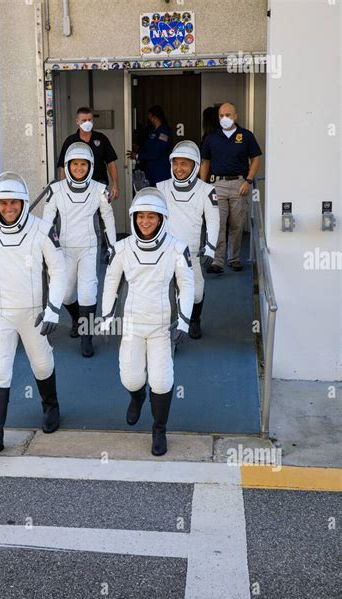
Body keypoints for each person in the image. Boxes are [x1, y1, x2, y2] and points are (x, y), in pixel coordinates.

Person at [0, 172, 66, 457]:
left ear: (23, 203)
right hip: (0, 313)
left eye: (13, 202)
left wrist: (53, 309)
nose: (8, 208)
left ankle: (51, 407)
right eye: (2, 203)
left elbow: (58, 270)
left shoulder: (42, 229)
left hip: (34, 312)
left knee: (41, 363)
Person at [100, 188, 194, 456]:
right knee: (130, 378)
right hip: (131, 324)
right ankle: (136, 397)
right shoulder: (122, 248)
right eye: (141, 216)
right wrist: (106, 316)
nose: (145, 221)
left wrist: (184, 321)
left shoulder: (177, 248)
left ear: (162, 218)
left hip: (162, 326)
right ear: (134, 218)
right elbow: (110, 284)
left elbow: (186, 287)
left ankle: (159, 429)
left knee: (162, 381)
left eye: (151, 216)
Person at [43, 143, 116, 358]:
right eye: (74, 164)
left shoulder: (99, 189)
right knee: (65, 294)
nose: (78, 168)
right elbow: (47, 222)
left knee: (87, 293)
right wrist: (46, 249)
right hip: (63, 249)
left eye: (83, 164)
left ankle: (87, 337)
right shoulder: (55, 190)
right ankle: (76, 319)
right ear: (67, 165)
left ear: (90, 166)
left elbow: (108, 218)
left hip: (89, 248)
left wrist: (112, 245)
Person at [156, 141, 219, 339]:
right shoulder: (161, 187)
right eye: (176, 163)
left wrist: (210, 248)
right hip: (165, 250)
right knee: (167, 291)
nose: (179, 168)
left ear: (195, 166)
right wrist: (140, 193)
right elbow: (149, 215)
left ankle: (195, 319)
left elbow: (213, 220)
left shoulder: (206, 191)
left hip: (191, 251)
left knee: (197, 293)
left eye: (184, 163)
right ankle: (171, 328)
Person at [200, 102, 262, 273]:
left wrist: (248, 181)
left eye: (228, 115)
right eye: (221, 115)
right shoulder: (212, 138)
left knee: (237, 223)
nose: (224, 118)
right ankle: (217, 261)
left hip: (239, 184)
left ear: (235, 116)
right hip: (217, 184)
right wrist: (202, 187)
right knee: (217, 224)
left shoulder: (246, 136)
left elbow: (256, 158)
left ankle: (234, 259)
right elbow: (205, 163)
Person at [57, 107, 119, 199]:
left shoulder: (101, 139)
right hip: (76, 186)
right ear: (77, 121)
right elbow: (63, 166)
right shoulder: (70, 141)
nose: (87, 123)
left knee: (102, 212)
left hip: (99, 184)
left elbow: (111, 163)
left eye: (89, 120)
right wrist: (63, 188)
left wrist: (115, 184)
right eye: (84, 120)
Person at [127, 105, 173, 187]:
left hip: (160, 173)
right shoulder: (153, 131)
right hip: (151, 172)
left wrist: (137, 156)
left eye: (149, 115)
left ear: (154, 117)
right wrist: (139, 149)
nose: (148, 117)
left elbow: (156, 153)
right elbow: (149, 148)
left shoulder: (163, 132)